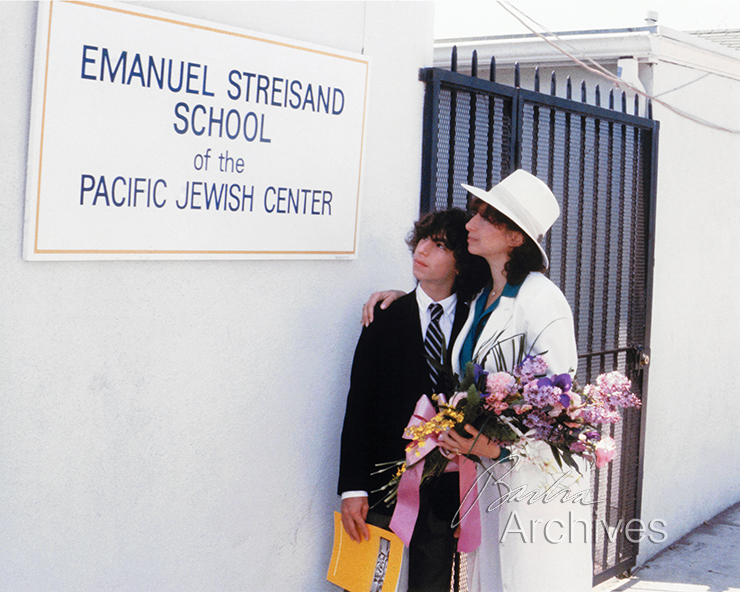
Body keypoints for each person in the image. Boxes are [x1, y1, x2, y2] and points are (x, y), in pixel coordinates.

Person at [361, 170, 593, 592]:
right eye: (475, 214)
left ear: (515, 238)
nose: (470, 224)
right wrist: (401, 299)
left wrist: (494, 448)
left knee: (527, 581)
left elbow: (562, 412)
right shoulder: (482, 297)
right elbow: (441, 312)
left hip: (529, 492)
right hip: (487, 485)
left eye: (485, 217)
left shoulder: (543, 300)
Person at [337, 208, 488, 592]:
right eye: (421, 239)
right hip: (384, 485)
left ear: (461, 262)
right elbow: (360, 406)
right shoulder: (385, 317)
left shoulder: (477, 323)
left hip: (444, 492)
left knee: (433, 585)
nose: (421, 250)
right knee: (365, 585)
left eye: (438, 245)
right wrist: (353, 488)